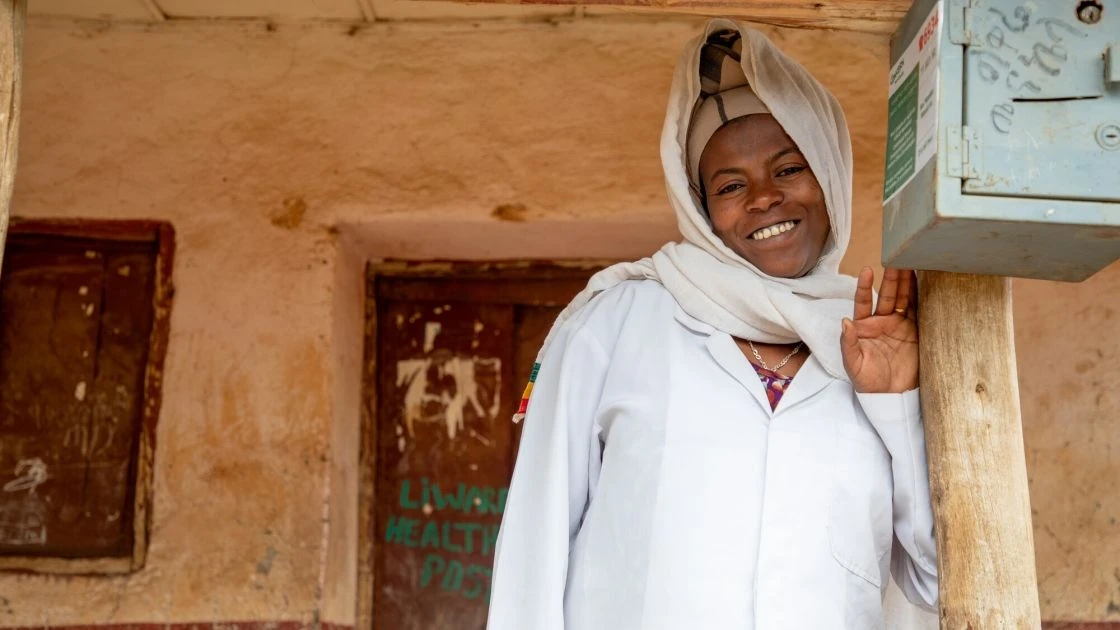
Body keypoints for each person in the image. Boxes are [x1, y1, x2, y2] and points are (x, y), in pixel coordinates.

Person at [487, 19, 938, 630]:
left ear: (828, 177)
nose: (763, 199)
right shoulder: (619, 321)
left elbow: (935, 580)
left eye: (788, 169)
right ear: (702, 208)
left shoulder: (874, 341)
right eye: (730, 185)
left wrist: (897, 404)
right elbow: (534, 548)